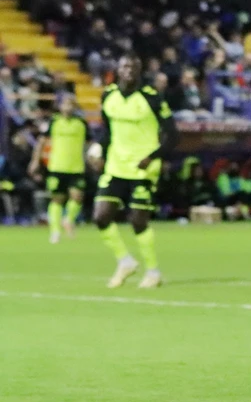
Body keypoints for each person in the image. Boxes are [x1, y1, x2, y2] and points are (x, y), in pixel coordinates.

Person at [90, 55, 179, 289]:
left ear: (140, 71)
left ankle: (153, 271)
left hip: (143, 168)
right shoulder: (109, 95)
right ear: (117, 70)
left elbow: (173, 134)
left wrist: (153, 157)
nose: (128, 70)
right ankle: (125, 261)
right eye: (124, 66)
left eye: (133, 67)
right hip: (116, 166)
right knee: (101, 216)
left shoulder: (151, 98)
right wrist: (98, 150)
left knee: (138, 220)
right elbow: (106, 131)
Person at [28, 95, 89, 243]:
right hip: (57, 166)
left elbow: (88, 144)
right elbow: (41, 142)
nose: (68, 107)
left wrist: (90, 159)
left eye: (71, 104)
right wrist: (35, 161)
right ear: (60, 106)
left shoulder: (81, 123)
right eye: (65, 104)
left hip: (76, 166)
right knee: (57, 199)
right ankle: (55, 231)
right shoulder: (53, 122)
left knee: (77, 197)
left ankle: (68, 220)